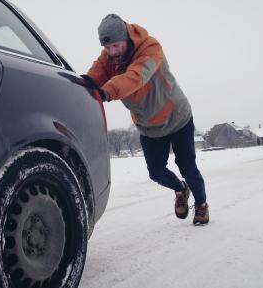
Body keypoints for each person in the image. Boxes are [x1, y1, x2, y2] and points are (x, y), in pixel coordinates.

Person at [85, 14, 209, 225]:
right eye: (107, 48)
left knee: (187, 167)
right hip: (149, 127)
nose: (111, 52)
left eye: (115, 46)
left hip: (177, 119)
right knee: (156, 172)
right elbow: (93, 76)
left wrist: (107, 91)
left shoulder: (151, 48)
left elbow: (136, 77)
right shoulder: (109, 58)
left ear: (126, 38)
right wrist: (80, 87)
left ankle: (201, 205)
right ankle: (181, 189)